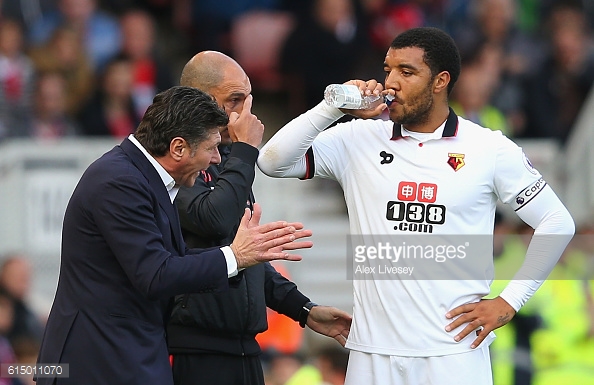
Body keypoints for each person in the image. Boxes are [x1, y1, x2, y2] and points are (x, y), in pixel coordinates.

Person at [257, 27, 575, 385]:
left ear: (440, 81)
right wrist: (331, 107)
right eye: (388, 69)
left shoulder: (489, 148)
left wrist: (509, 302)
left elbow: (556, 221)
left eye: (406, 72)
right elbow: (272, 162)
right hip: (371, 351)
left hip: (452, 352)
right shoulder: (356, 138)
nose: (390, 83)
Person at [35, 85, 315, 385]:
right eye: (211, 148)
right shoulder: (118, 181)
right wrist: (234, 256)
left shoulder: (140, 177)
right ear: (178, 148)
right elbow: (155, 274)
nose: (217, 160)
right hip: (97, 361)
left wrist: (243, 259)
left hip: (123, 355)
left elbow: (168, 262)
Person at [167, 51, 352, 385]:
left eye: (249, 99)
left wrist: (305, 310)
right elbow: (214, 220)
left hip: (244, 351)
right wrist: (246, 151)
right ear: (202, 100)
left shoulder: (225, 163)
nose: (247, 112)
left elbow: (245, 260)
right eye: (236, 100)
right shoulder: (174, 160)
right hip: (193, 354)